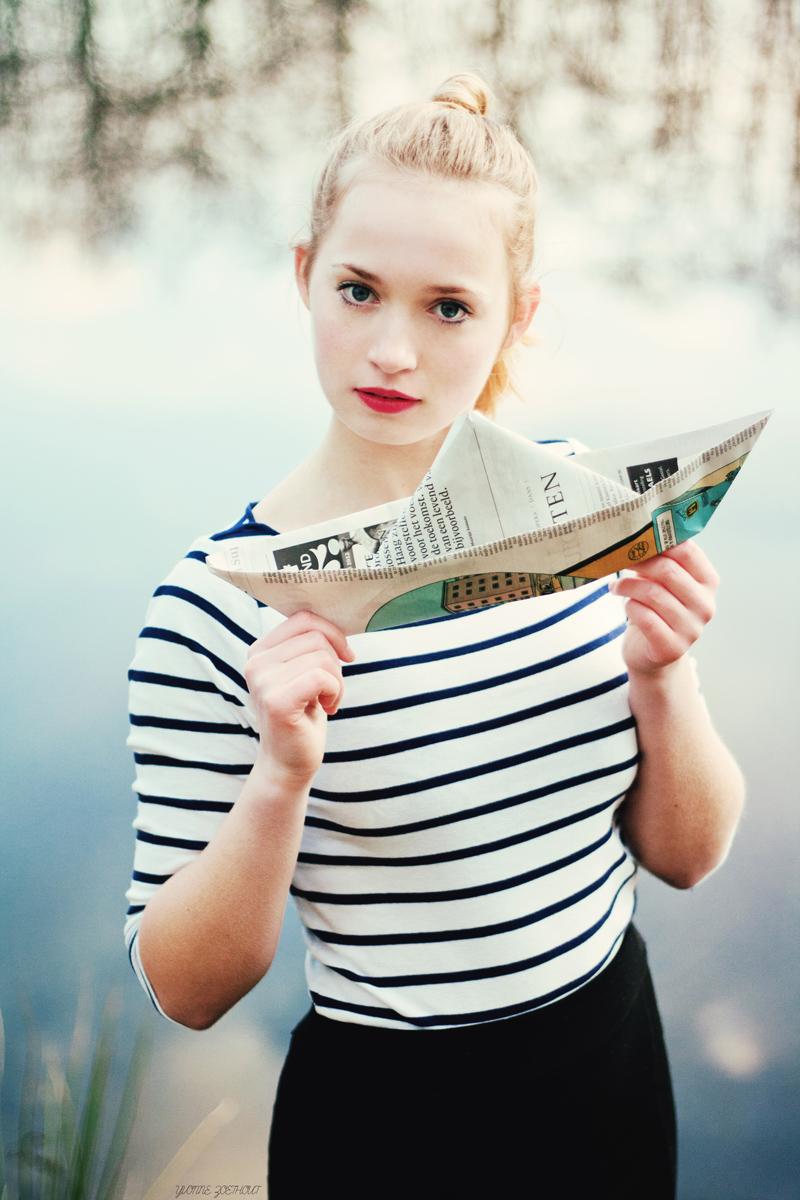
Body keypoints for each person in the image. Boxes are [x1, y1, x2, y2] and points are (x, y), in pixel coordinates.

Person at [123, 72, 747, 1198]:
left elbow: (687, 858)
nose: (392, 352)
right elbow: (186, 990)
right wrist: (279, 778)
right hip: (391, 1121)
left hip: (612, 1067)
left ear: (520, 315)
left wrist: (665, 678)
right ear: (304, 275)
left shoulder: (585, 518)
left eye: (448, 307)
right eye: (358, 291)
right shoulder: (217, 606)